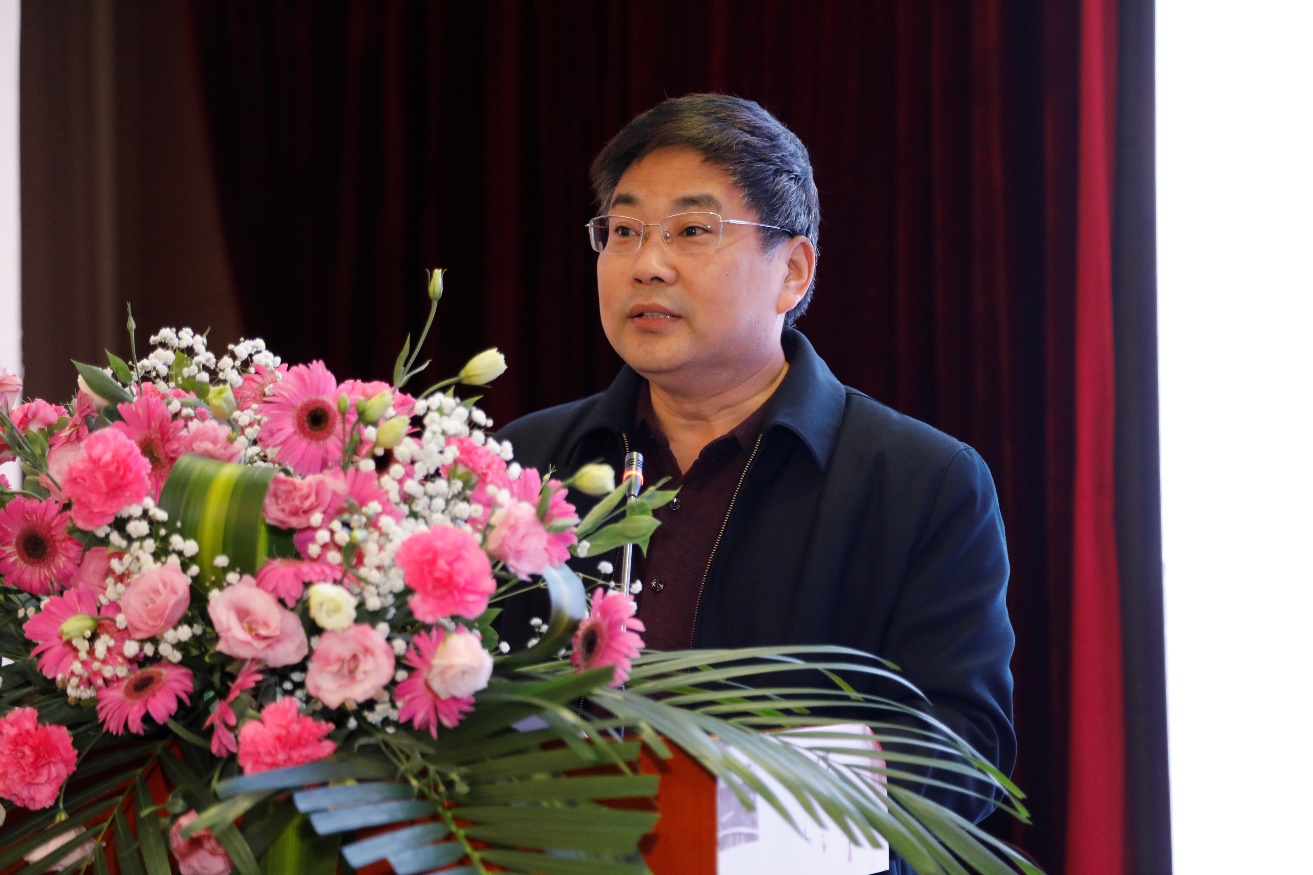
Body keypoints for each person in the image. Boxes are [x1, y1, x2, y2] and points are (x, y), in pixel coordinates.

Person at [496, 94, 1015, 868]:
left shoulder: (920, 481)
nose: (646, 263)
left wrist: (744, 802)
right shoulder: (524, 460)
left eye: (691, 231)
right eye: (624, 231)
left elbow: (962, 750)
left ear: (792, 270)